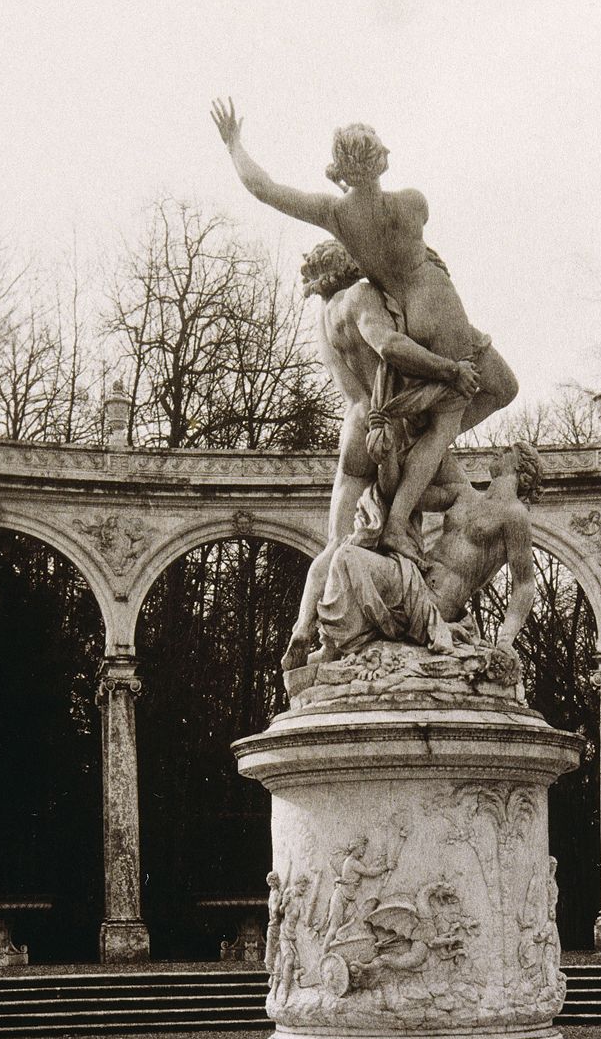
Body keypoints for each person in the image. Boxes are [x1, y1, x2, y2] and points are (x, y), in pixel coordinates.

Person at [210, 100, 518, 561]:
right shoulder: (413, 202)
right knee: (486, 398)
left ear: (343, 165)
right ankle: (396, 523)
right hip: (440, 305)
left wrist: (234, 144)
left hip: (409, 317)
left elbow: (265, 189)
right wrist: (451, 372)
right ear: (382, 157)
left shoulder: (337, 216)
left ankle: (412, 471)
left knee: (443, 423)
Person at [284, 240, 480, 668]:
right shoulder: (360, 295)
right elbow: (389, 345)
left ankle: (306, 630)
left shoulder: (324, 316)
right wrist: (449, 370)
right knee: (459, 498)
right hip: (386, 422)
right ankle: (425, 618)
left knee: (338, 542)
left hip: (353, 428)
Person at [313, 441, 545, 663]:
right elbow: (405, 494)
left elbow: (524, 584)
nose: (499, 451)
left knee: (348, 558)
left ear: (519, 464)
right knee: (345, 555)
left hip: (438, 602)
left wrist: (505, 641)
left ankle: (337, 646)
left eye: (507, 450)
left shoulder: (515, 515)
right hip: (413, 579)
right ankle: (333, 645)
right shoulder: (465, 495)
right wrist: (389, 456)